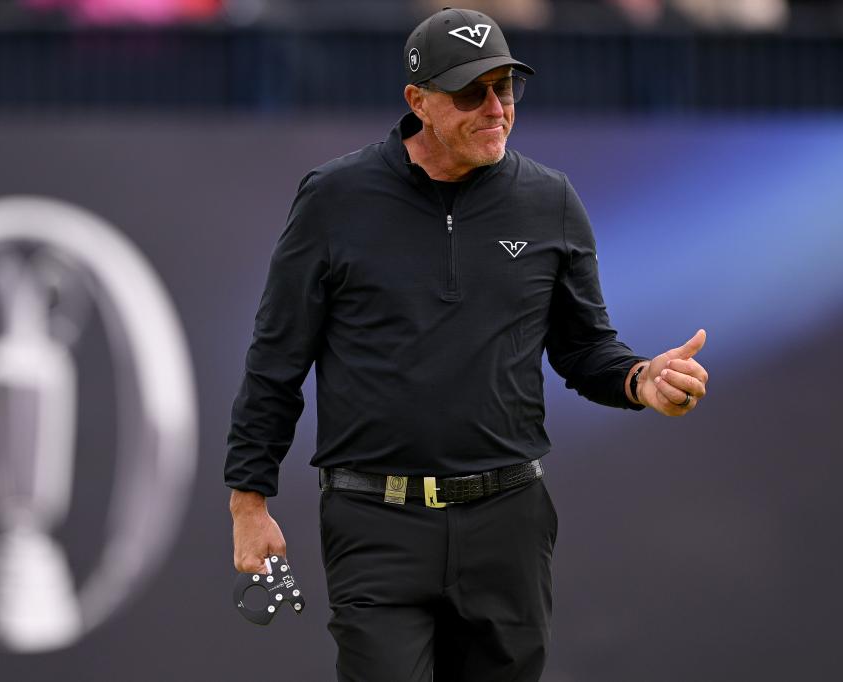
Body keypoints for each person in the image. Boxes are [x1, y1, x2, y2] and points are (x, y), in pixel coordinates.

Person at [225, 7, 710, 681]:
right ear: (418, 102)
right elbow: (277, 357)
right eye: (470, 92)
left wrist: (639, 380)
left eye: (505, 88)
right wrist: (249, 500)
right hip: (375, 520)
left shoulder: (551, 201)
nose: (494, 108)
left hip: (507, 522)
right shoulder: (335, 198)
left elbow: (583, 347)